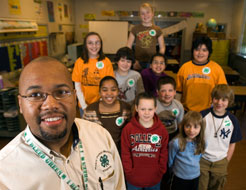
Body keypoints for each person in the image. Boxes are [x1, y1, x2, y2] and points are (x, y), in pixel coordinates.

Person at [0, 56, 125, 190]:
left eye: (61, 92)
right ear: (20, 103)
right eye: (35, 95)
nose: (50, 105)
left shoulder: (100, 135)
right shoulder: (5, 174)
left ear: (74, 96)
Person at [121, 92, 169, 190]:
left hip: (154, 178)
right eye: (143, 109)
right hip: (133, 179)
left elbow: (164, 152)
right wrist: (129, 172)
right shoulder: (128, 129)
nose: (146, 113)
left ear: (155, 109)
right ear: (136, 108)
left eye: (150, 109)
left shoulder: (162, 130)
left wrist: (161, 170)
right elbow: (125, 153)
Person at [199, 84, 242, 190]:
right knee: (200, 186)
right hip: (202, 159)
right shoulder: (202, 115)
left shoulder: (233, 120)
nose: (219, 102)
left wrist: (226, 160)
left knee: (216, 186)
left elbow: (232, 144)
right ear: (212, 98)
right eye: (216, 98)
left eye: (224, 100)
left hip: (221, 161)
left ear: (229, 101)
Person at [176, 36, 227, 112]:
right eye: (197, 50)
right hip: (187, 111)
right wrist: (179, 110)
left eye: (204, 50)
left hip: (209, 112)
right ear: (192, 51)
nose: (200, 53)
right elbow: (178, 92)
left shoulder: (217, 68)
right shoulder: (184, 68)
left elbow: (222, 92)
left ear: (209, 52)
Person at [83, 76, 132, 152]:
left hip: (122, 153)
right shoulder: (90, 110)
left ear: (118, 91)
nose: (109, 93)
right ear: (99, 92)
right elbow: (85, 134)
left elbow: (130, 133)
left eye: (113, 89)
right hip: (98, 152)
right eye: (105, 90)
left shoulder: (126, 109)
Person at [72, 32, 114, 117]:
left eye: (97, 42)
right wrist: (84, 106)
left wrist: (102, 103)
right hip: (84, 105)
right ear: (85, 45)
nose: (94, 46)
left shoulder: (106, 62)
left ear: (101, 44)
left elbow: (108, 86)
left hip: (102, 104)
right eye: (90, 43)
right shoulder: (79, 62)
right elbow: (77, 86)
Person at [168, 111, 206, 190]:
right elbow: (170, 161)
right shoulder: (175, 143)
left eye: (195, 127)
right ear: (182, 126)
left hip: (195, 177)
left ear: (201, 128)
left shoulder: (202, 143)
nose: (191, 130)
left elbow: (198, 158)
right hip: (178, 177)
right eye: (188, 126)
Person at [127, 3, 165, 71]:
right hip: (137, 61)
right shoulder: (135, 29)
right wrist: (133, 60)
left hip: (152, 62)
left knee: (150, 80)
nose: (145, 15)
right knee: (138, 80)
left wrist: (157, 62)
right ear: (140, 15)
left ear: (152, 14)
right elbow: (128, 46)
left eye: (148, 12)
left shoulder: (158, 29)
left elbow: (162, 47)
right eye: (142, 13)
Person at [156, 76, 184, 141]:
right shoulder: (152, 105)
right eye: (163, 91)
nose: (167, 94)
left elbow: (180, 124)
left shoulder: (178, 105)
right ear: (157, 92)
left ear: (175, 92)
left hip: (173, 135)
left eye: (170, 90)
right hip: (157, 135)